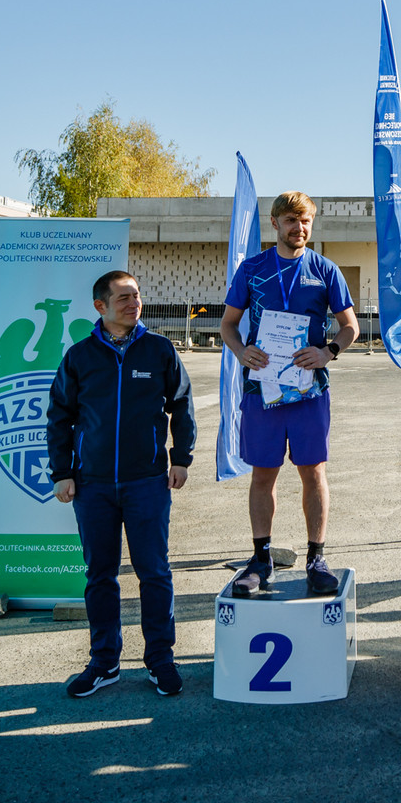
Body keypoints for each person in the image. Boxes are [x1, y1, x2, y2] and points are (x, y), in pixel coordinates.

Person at [48, 270, 195, 699]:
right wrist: (62, 472)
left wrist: (180, 459)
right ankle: (104, 662)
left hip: (147, 482)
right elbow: (59, 417)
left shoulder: (159, 350)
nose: (134, 304)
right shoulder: (79, 356)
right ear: (101, 306)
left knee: (154, 573)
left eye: (136, 296)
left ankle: (160, 660)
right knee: (100, 576)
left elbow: (182, 406)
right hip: (92, 486)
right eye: (124, 298)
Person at [220, 191, 359, 598]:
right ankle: (260, 558)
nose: (299, 228)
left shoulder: (325, 269)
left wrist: (328, 352)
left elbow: (350, 326)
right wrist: (241, 351)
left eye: (306, 221)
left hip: (308, 390)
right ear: (275, 224)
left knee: (313, 472)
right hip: (261, 388)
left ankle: (317, 558)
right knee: (263, 474)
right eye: (291, 221)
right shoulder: (252, 268)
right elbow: (228, 324)